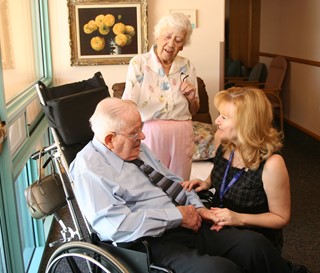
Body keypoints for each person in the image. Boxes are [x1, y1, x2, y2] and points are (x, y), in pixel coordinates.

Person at [70, 97, 292, 273]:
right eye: (135, 133)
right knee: (220, 270)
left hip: (187, 221)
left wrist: (199, 210)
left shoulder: (135, 147)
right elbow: (116, 226)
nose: (143, 136)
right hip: (151, 242)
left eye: (140, 128)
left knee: (254, 246)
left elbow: (173, 181)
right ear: (110, 139)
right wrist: (177, 215)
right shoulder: (88, 169)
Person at [182, 87, 311, 273]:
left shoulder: (272, 164)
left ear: (246, 123)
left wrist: (239, 219)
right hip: (221, 224)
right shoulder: (223, 141)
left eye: (224, 117)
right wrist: (207, 182)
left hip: (255, 237)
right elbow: (220, 170)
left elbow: (281, 218)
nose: (216, 121)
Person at [122, 12, 199, 180]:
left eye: (178, 40)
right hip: (151, 132)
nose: (171, 44)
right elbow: (128, 102)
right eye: (167, 37)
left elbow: (194, 110)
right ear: (157, 36)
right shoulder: (139, 63)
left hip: (182, 131)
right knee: (152, 182)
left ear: (183, 45)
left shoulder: (187, 65)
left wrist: (192, 97)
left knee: (181, 183)